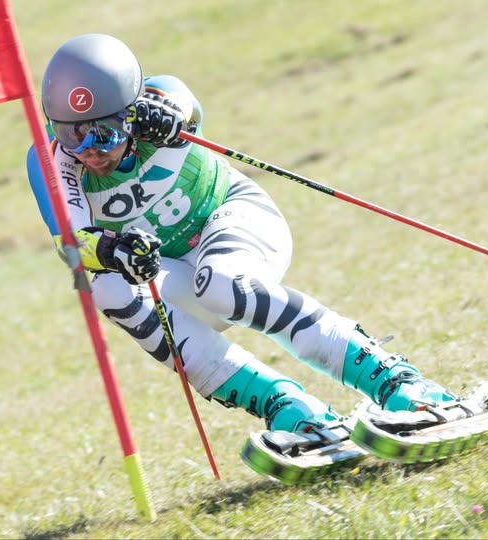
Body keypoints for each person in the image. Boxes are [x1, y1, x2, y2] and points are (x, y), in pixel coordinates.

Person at [26, 33, 461, 442]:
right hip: (172, 272)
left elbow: (182, 103)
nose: (89, 150)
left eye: (104, 132)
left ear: (132, 111)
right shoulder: (51, 159)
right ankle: (288, 408)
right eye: (71, 133)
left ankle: (398, 382)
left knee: (220, 284)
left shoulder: (160, 96)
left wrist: (170, 117)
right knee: (105, 286)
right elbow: (72, 244)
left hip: (235, 220)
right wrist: (112, 249)